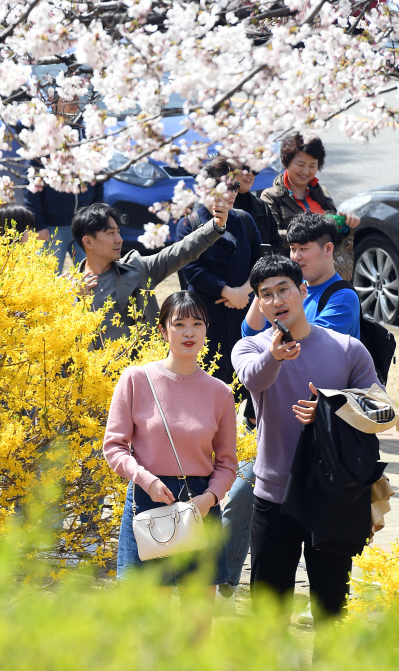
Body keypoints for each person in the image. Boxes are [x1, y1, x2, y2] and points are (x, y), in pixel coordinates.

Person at [231, 256, 381, 619]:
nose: (276, 300)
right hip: (273, 495)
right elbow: (254, 380)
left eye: (284, 289)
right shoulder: (249, 348)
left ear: (302, 290)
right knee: (268, 616)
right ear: (259, 303)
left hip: (331, 497)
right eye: (265, 294)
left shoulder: (346, 348)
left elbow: (383, 411)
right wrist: (275, 356)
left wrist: (331, 409)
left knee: (330, 611)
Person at [103, 290, 238, 596]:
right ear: (163, 330)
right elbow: (114, 446)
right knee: (153, 622)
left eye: (197, 324)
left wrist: (211, 498)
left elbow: (228, 463)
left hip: (200, 505)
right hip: (149, 500)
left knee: (197, 625)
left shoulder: (220, 393)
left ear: (206, 329)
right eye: (179, 324)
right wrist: (146, 481)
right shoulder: (136, 379)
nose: (189, 332)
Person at [71, 200, 231, 344]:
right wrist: (73, 300)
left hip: (141, 369)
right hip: (95, 374)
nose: (119, 239)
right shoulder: (68, 288)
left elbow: (180, 252)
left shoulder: (137, 268)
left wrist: (216, 226)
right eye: (110, 233)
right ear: (88, 241)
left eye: (118, 231)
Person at [176, 157, 263, 385]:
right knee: (209, 382)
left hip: (243, 311)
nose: (232, 193)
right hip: (207, 315)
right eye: (225, 187)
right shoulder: (189, 224)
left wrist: (244, 291)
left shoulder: (244, 220)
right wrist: (226, 291)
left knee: (245, 381)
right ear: (206, 189)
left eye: (235, 186)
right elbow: (191, 270)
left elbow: (259, 261)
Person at [260, 131, 360, 255]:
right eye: (300, 164)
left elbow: (336, 242)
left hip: (323, 271)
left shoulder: (322, 193)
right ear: (286, 162)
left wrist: (344, 226)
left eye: (312, 165)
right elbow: (272, 237)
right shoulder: (271, 196)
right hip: (292, 270)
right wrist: (312, 231)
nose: (306, 171)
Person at [24, 174, 104, 274]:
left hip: (86, 225)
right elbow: (31, 188)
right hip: (52, 227)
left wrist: (97, 216)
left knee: (92, 275)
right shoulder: (40, 159)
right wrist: (38, 224)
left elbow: (98, 182)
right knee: (49, 277)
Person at [233, 163, 282, 253]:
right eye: (245, 168)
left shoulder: (262, 206)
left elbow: (275, 243)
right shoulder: (219, 205)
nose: (250, 173)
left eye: (254, 169)